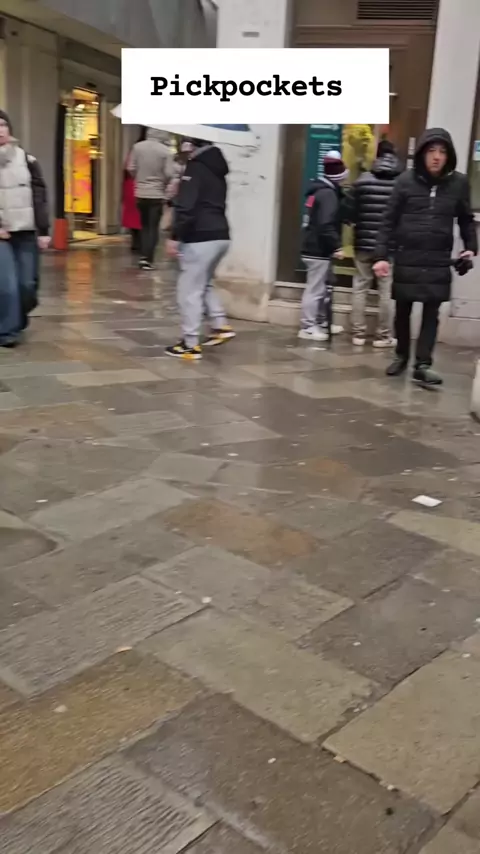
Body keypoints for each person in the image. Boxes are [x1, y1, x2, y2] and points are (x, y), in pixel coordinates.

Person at [374, 128, 477, 387]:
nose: (436, 157)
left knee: (432, 313)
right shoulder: (404, 182)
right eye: (431, 151)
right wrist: (381, 255)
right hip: (407, 256)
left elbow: (466, 219)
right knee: (402, 311)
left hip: (437, 259)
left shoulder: (459, 184)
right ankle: (401, 356)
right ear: (422, 153)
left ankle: (423, 364)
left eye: (442, 152)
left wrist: (470, 247)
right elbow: (388, 220)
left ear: (449, 156)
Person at [165, 137, 235, 361]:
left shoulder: (195, 168)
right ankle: (220, 324)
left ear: (193, 146)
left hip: (199, 236)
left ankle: (190, 343)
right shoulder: (217, 168)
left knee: (189, 291)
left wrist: (175, 236)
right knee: (203, 283)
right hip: (220, 234)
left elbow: (187, 207)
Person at [0, 110, 50, 348]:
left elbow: (39, 195)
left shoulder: (27, 159)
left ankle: (16, 319)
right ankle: (7, 332)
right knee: (7, 286)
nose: (0, 130)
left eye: (3, 125)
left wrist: (44, 230)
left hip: (26, 232)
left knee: (27, 286)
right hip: (2, 235)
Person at [347, 139, 401, 347]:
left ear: (376, 156)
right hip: (388, 246)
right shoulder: (400, 183)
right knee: (386, 291)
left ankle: (358, 334)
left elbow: (350, 212)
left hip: (363, 243)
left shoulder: (362, 181)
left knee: (360, 287)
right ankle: (383, 336)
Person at [299, 151, 348, 342]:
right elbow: (325, 224)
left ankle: (321, 322)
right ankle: (308, 327)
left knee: (322, 289)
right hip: (317, 249)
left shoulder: (320, 191)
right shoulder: (328, 194)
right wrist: (337, 246)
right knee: (315, 289)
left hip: (316, 248)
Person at [128, 128, 173, 270]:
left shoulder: (137, 147)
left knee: (144, 226)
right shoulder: (166, 151)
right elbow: (169, 173)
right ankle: (148, 259)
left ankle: (143, 256)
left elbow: (131, 168)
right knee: (153, 227)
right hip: (157, 193)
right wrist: (162, 182)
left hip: (140, 192)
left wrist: (139, 178)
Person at [122, 127, 146, 253]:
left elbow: (128, 167)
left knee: (134, 215)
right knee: (143, 215)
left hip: (131, 184)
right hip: (141, 184)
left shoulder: (134, 149)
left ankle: (136, 241)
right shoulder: (156, 149)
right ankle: (142, 243)